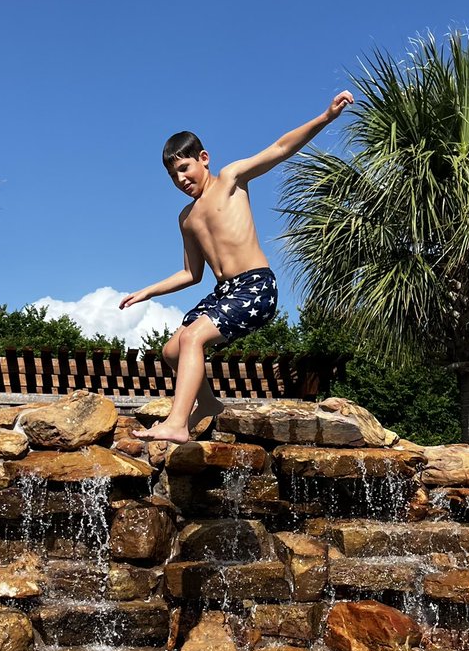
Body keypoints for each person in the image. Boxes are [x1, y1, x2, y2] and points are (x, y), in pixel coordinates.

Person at [120, 90, 355, 442]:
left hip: (256, 286)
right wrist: (148, 291)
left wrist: (326, 117)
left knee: (194, 337)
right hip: (223, 293)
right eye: (173, 176)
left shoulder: (231, 180)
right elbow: (191, 273)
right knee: (173, 349)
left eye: (184, 168)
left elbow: (279, 149)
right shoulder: (186, 218)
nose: (181, 179)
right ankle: (210, 404)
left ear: (203, 158)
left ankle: (177, 422)